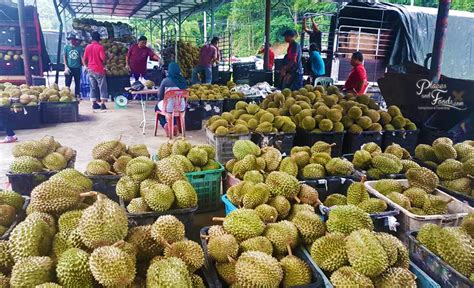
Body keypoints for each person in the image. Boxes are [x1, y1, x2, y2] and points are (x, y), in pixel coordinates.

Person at [155, 62, 188, 137]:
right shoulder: (183, 81)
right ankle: (174, 125)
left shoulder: (165, 81)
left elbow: (159, 96)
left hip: (169, 107)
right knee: (174, 107)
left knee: (157, 107)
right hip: (181, 107)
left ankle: (165, 124)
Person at [83, 31, 108, 110]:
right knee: (102, 86)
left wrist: (86, 66)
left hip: (90, 69)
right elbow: (103, 58)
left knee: (93, 87)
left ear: (92, 39)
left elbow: (84, 59)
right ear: (99, 39)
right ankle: (103, 104)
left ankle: (94, 103)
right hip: (99, 69)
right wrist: (108, 57)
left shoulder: (87, 47)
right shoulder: (100, 47)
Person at [64, 33, 84, 99]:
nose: (72, 41)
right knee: (67, 82)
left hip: (77, 67)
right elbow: (65, 57)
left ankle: (77, 94)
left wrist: (84, 65)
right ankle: (66, 94)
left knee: (77, 82)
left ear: (75, 40)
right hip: (69, 67)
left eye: (73, 40)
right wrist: (66, 67)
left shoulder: (79, 48)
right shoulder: (66, 47)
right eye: (70, 40)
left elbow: (81, 57)